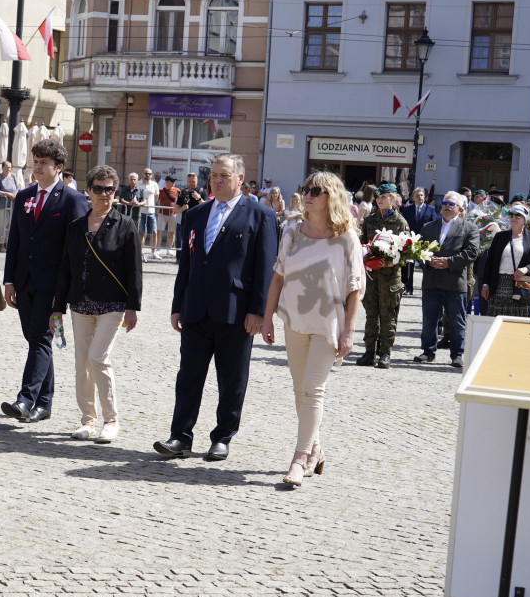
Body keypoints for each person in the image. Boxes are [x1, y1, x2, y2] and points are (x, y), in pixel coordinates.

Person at [154, 154, 277, 462]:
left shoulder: (260, 215)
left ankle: (222, 437)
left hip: (236, 313)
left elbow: (265, 267)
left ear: (240, 178)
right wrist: (177, 303)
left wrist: (259, 311)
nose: (218, 180)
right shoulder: (196, 214)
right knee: (188, 377)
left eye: (224, 175)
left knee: (232, 379)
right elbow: (187, 263)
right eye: (214, 176)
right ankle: (180, 437)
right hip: (196, 309)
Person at [261, 171, 363, 486]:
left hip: (328, 324)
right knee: (299, 389)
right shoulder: (291, 231)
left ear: (331, 196)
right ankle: (316, 448)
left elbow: (355, 288)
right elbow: (278, 276)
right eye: (306, 189)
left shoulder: (346, 237)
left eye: (317, 190)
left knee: (313, 389)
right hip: (294, 320)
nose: (308, 194)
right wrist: (267, 318)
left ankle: (299, 458)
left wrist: (349, 330)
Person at [2, 138, 89, 423]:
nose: (37, 167)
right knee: (35, 340)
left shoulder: (72, 199)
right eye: (35, 161)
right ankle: (45, 403)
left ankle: (26, 400)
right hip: (25, 281)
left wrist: (64, 292)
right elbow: (14, 240)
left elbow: (75, 250)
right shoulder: (25, 196)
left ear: (59, 167)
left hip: (52, 285)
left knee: (40, 338)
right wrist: (10, 280)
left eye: (44, 163)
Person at [53, 165, 142, 443]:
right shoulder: (76, 227)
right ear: (88, 191)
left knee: (97, 357)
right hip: (80, 302)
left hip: (112, 304)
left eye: (110, 189)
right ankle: (87, 420)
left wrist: (133, 307)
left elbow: (134, 269)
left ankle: (111, 419)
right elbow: (65, 267)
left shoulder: (125, 225)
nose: (105, 194)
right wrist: (58, 306)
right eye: (99, 189)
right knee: (82, 362)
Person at [412, 192, 479, 368]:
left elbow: (471, 253)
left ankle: (457, 354)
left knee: (457, 320)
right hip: (431, 280)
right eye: (445, 203)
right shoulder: (428, 227)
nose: (447, 206)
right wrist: (427, 260)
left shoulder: (469, 228)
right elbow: (418, 249)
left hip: (454, 281)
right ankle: (428, 352)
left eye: (452, 203)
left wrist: (448, 262)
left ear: (460, 208)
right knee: (429, 319)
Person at [356, 183, 409, 369]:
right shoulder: (370, 220)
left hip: (390, 276)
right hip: (372, 275)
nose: (380, 200)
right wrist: (366, 260)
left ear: (393, 198)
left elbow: (406, 252)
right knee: (371, 314)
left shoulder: (400, 222)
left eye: (384, 197)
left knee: (388, 315)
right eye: (378, 197)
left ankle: (385, 353)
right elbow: (362, 245)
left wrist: (390, 261)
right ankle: (369, 351)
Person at [481, 204, 530, 318]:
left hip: (520, 285)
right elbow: (490, 262)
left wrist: (526, 268)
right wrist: (485, 283)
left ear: (525, 219)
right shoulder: (500, 236)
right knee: (496, 322)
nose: (513, 217)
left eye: (518, 215)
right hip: (498, 285)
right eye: (511, 215)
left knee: (517, 324)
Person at [400, 187, 440, 295]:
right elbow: (403, 225)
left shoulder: (430, 209)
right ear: (413, 197)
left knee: (426, 266)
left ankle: (427, 289)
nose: (420, 197)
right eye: (417, 195)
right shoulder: (407, 210)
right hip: (411, 241)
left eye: (422, 195)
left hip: (424, 242)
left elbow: (435, 224)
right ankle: (408, 288)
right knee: (409, 267)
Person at [0, 160, 19, 252]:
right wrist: (7, 194)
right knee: (2, 224)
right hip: (2, 204)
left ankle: (8, 243)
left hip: (12, 204)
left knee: (10, 225)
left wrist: (15, 193)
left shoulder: (13, 176)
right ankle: (1, 245)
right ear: (3, 168)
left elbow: (17, 187)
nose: (8, 169)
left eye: (10, 167)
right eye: (7, 167)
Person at [137, 168, 159, 258]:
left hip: (151, 212)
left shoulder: (154, 184)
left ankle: (153, 252)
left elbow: (156, 196)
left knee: (153, 233)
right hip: (140, 212)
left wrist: (150, 204)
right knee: (141, 233)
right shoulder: (138, 183)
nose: (147, 175)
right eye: (146, 173)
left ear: (152, 175)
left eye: (149, 174)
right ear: (143, 174)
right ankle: (140, 251)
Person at [156, 175, 179, 256]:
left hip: (173, 214)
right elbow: (156, 198)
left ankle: (169, 249)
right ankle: (158, 248)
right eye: (171, 181)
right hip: (162, 213)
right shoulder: (161, 190)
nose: (173, 183)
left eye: (173, 181)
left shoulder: (177, 190)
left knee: (172, 232)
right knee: (159, 231)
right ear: (166, 182)